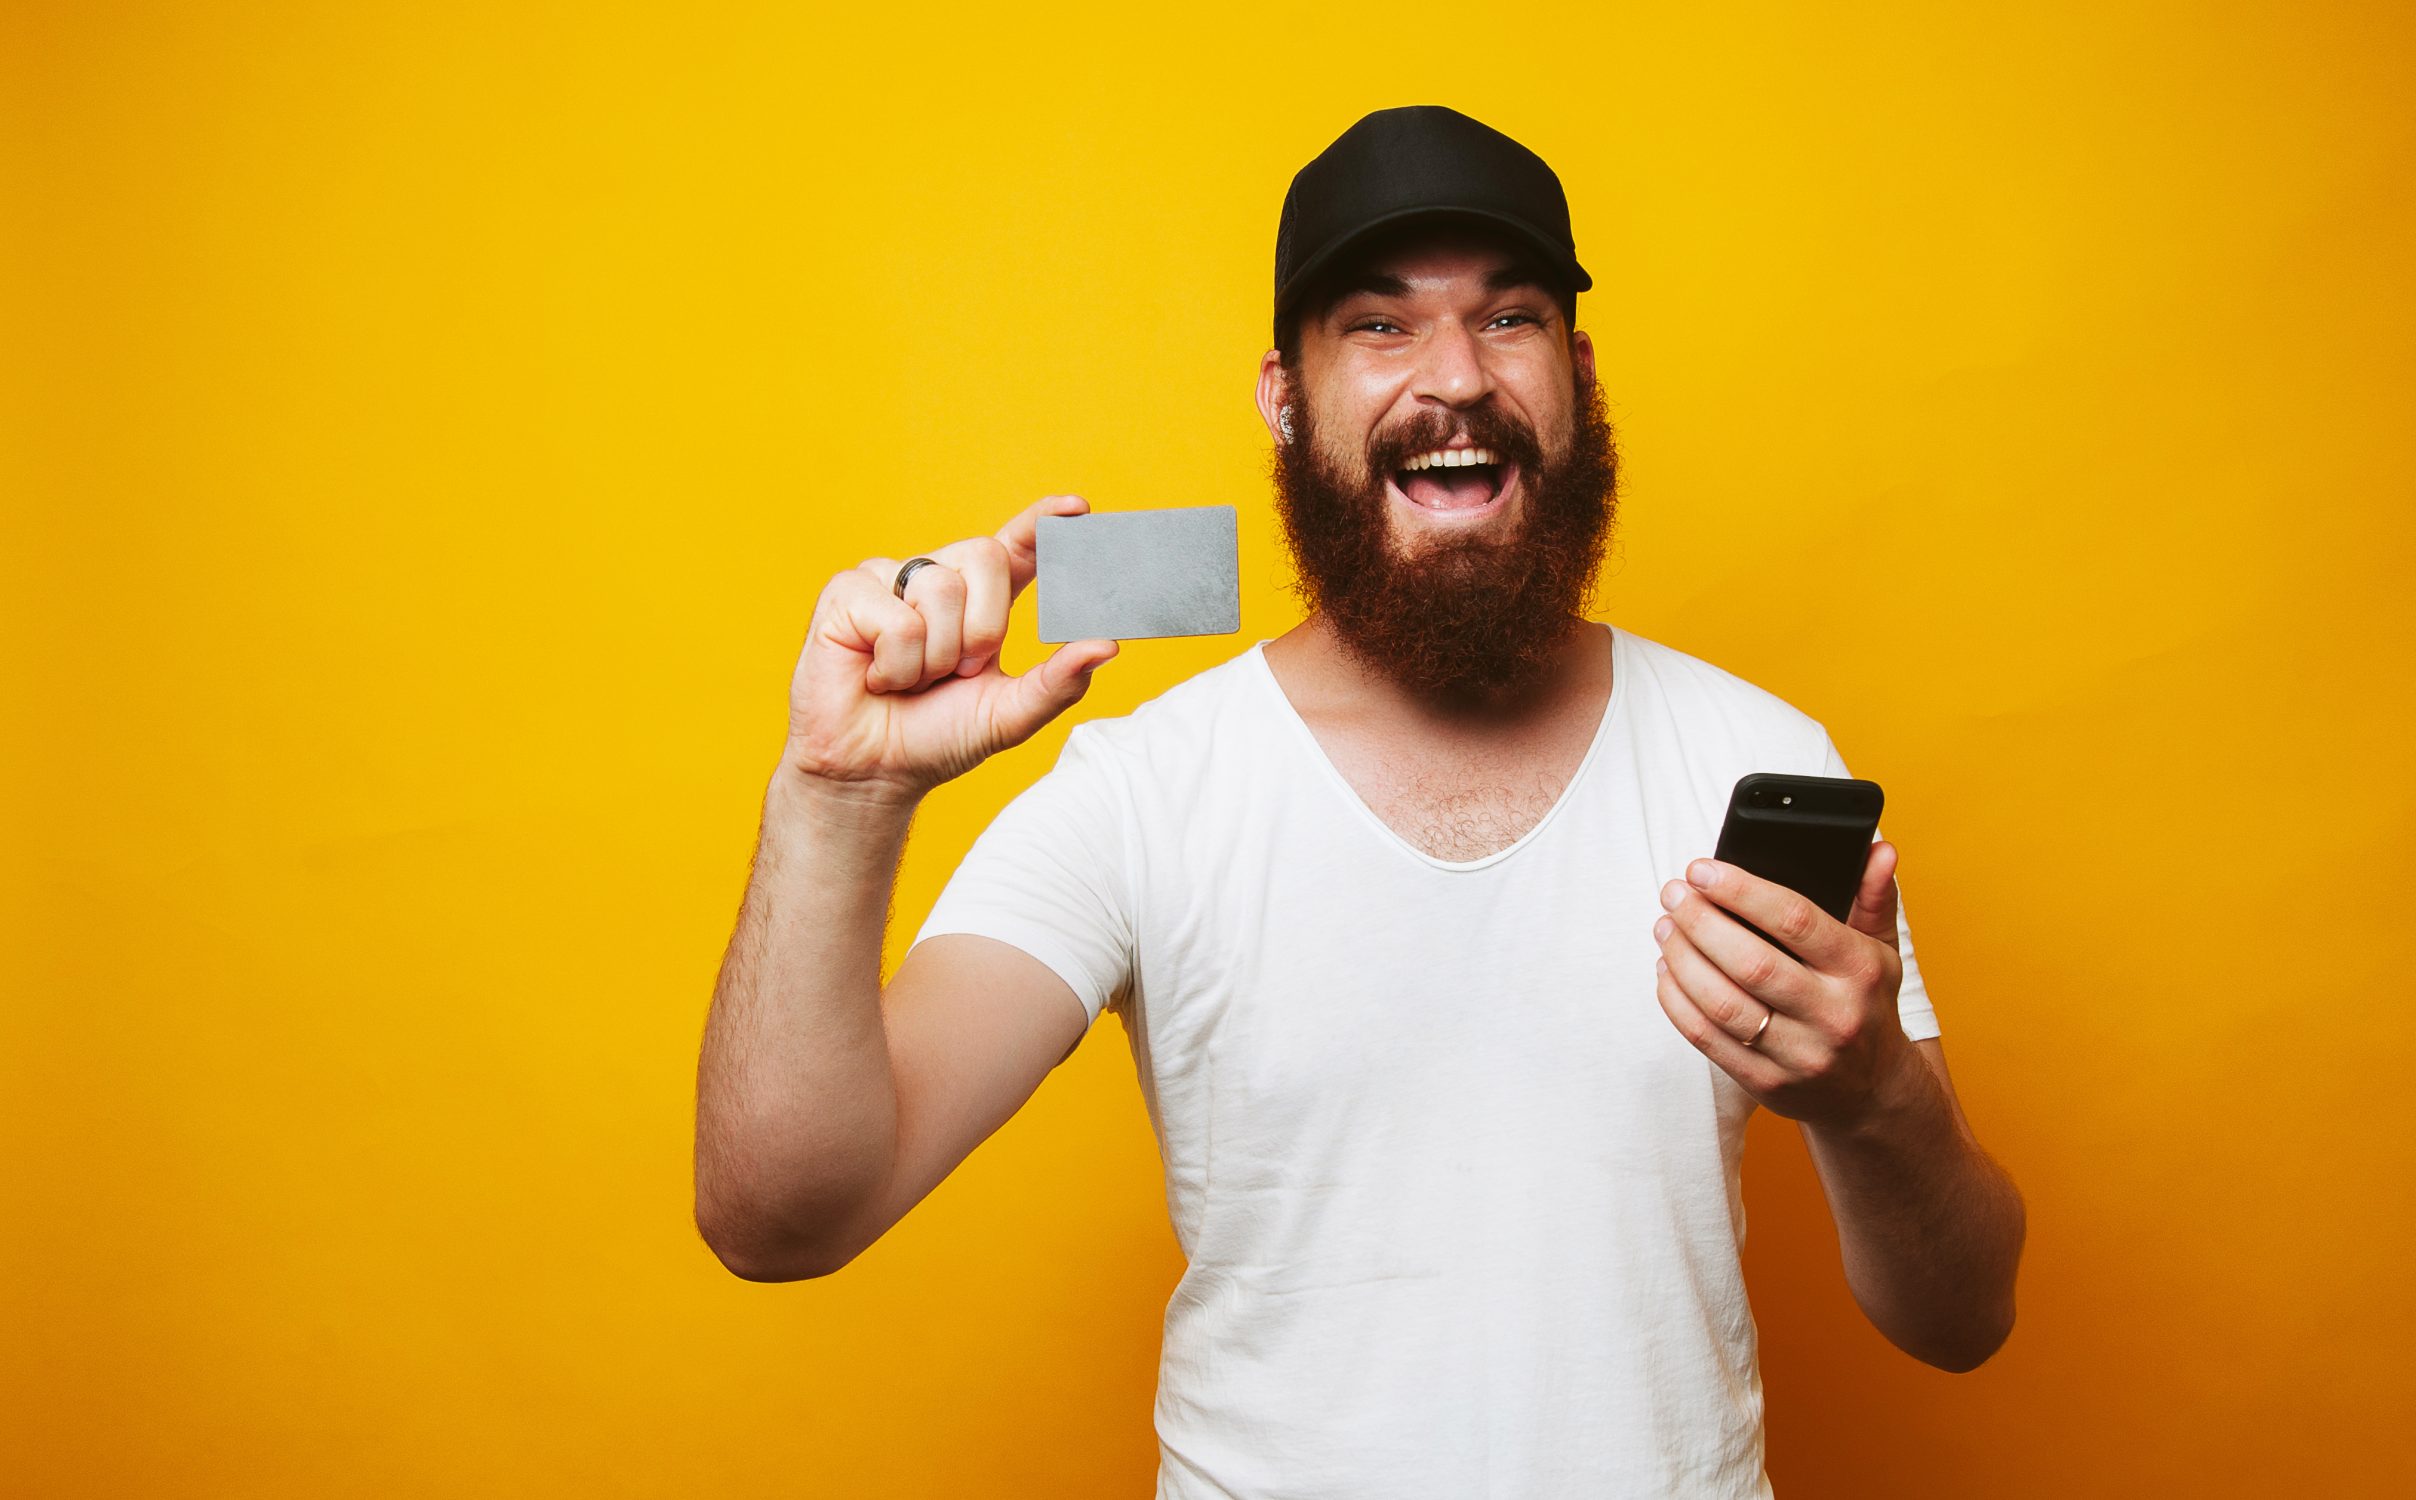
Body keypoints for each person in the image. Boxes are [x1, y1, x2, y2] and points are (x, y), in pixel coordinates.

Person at [694, 105, 2025, 1499]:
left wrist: (1874, 1096)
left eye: (1509, 320)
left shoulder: (1758, 758)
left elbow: (1964, 1319)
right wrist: (837, 799)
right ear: (1284, 395)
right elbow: (785, 1216)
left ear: (1574, 376)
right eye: (1380, 327)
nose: (1455, 377)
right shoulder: (1150, 788)